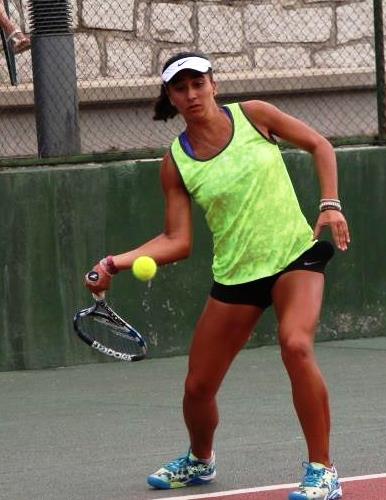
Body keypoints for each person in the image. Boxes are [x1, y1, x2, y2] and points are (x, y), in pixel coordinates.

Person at [85, 52, 350, 500]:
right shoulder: (176, 162)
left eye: (198, 83)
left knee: (296, 345)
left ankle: (323, 471)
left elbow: (319, 145)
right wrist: (114, 263)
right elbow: (177, 240)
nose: (191, 94)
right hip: (236, 276)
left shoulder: (255, 115)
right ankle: (199, 460)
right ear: (170, 97)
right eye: (180, 88)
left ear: (214, 84)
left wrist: (330, 203)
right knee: (198, 386)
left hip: (294, 257)